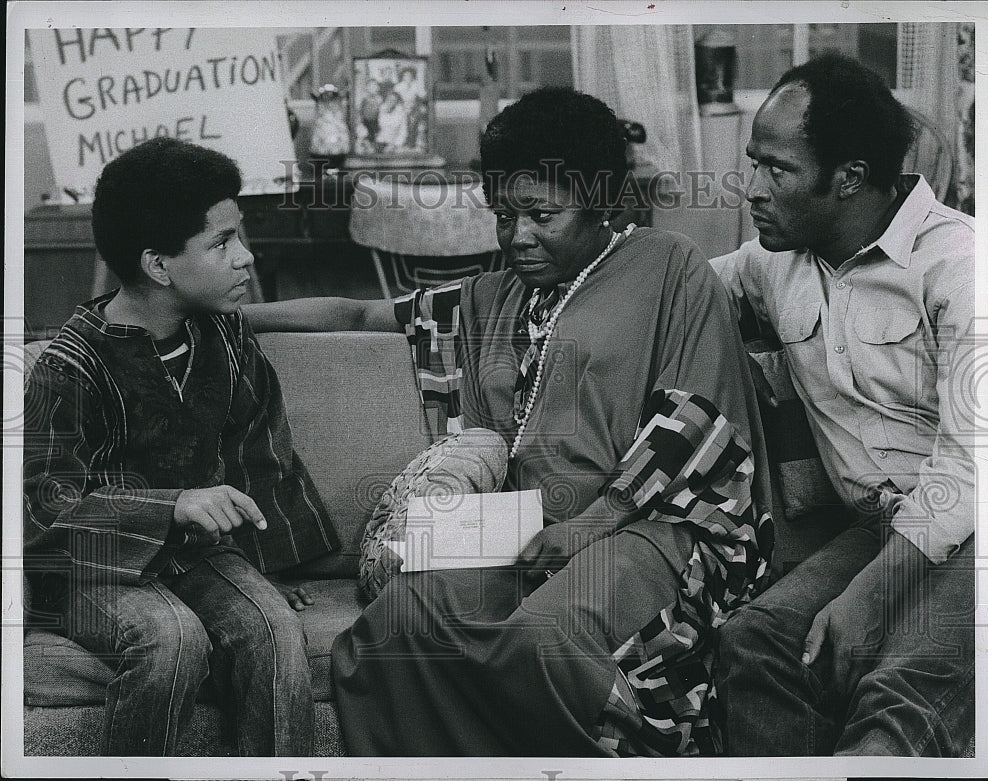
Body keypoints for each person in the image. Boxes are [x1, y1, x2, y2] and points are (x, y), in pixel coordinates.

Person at [244, 86, 772, 756]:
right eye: (503, 214)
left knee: (543, 638)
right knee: (395, 628)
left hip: (650, 528)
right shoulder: (492, 296)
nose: (517, 236)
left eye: (541, 214)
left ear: (603, 201)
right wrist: (215, 311)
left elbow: (692, 422)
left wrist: (586, 527)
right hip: (528, 534)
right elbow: (356, 315)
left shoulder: (671, 269)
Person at [23, 137, 341, 756]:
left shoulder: (224, 337)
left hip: (194, 554)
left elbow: (260, 451)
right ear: (158, 265)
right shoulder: (71, 364)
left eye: (239, 235)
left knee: (272, 629)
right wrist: (169, 505)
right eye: (221, 243)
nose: (246, 257)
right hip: (91, 566)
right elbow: (45, 505)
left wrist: (271, 562)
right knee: (172, 637)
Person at [710, 53, 975, 756]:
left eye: (777, 169)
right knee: (753, 644)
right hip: (877, 526)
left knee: (898, 699)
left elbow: (972, 473)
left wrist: (868, 596)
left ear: (850, 178)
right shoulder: (775, 259)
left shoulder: (963, 266)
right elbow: (677, 294)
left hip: (976, 528)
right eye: (753, 163)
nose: (753, 189)